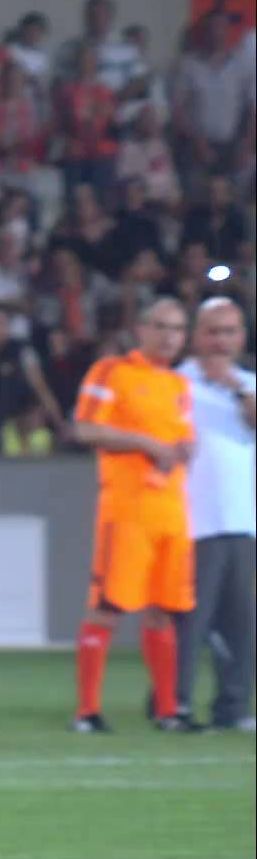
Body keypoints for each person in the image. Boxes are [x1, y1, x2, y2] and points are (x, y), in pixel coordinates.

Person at [68, 298, 201, 733]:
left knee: (164, 611)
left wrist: (185, 448)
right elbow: (85, 428)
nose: (169, 336)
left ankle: (167, 711)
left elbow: (182, 437)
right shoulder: (112, 371)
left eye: (177, 329)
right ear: (141, 329)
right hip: (126, 511)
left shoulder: (179, 384)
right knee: (107, 607)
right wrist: (147, 444)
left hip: (171, 511)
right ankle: (87, 712)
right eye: (161, 326)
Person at [173, 299, 255, 731]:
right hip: (191, 520)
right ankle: (173, 706)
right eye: (213, 331)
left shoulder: (249, 385)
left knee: (242, 623)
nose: (221, 341)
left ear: (242, 337)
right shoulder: (176, 382)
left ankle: (233, 708)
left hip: (241, 520)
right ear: (196, 336)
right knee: (189, 623)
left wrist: (236, 389)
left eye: (230, 331)